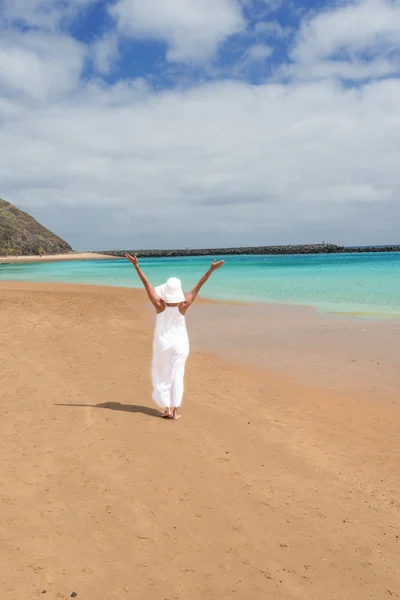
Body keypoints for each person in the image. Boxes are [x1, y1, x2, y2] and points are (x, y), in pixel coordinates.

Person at [125, 254, 224, 420]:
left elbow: (146, 284)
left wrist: (137, 266)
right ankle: (176, 411)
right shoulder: (184, 305)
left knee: (162, 373)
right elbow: (199, 285)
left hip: (163, 344)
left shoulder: (159, 305)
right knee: (178, 375)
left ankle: (167, 409)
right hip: (180, 345)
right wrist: (211, 270)